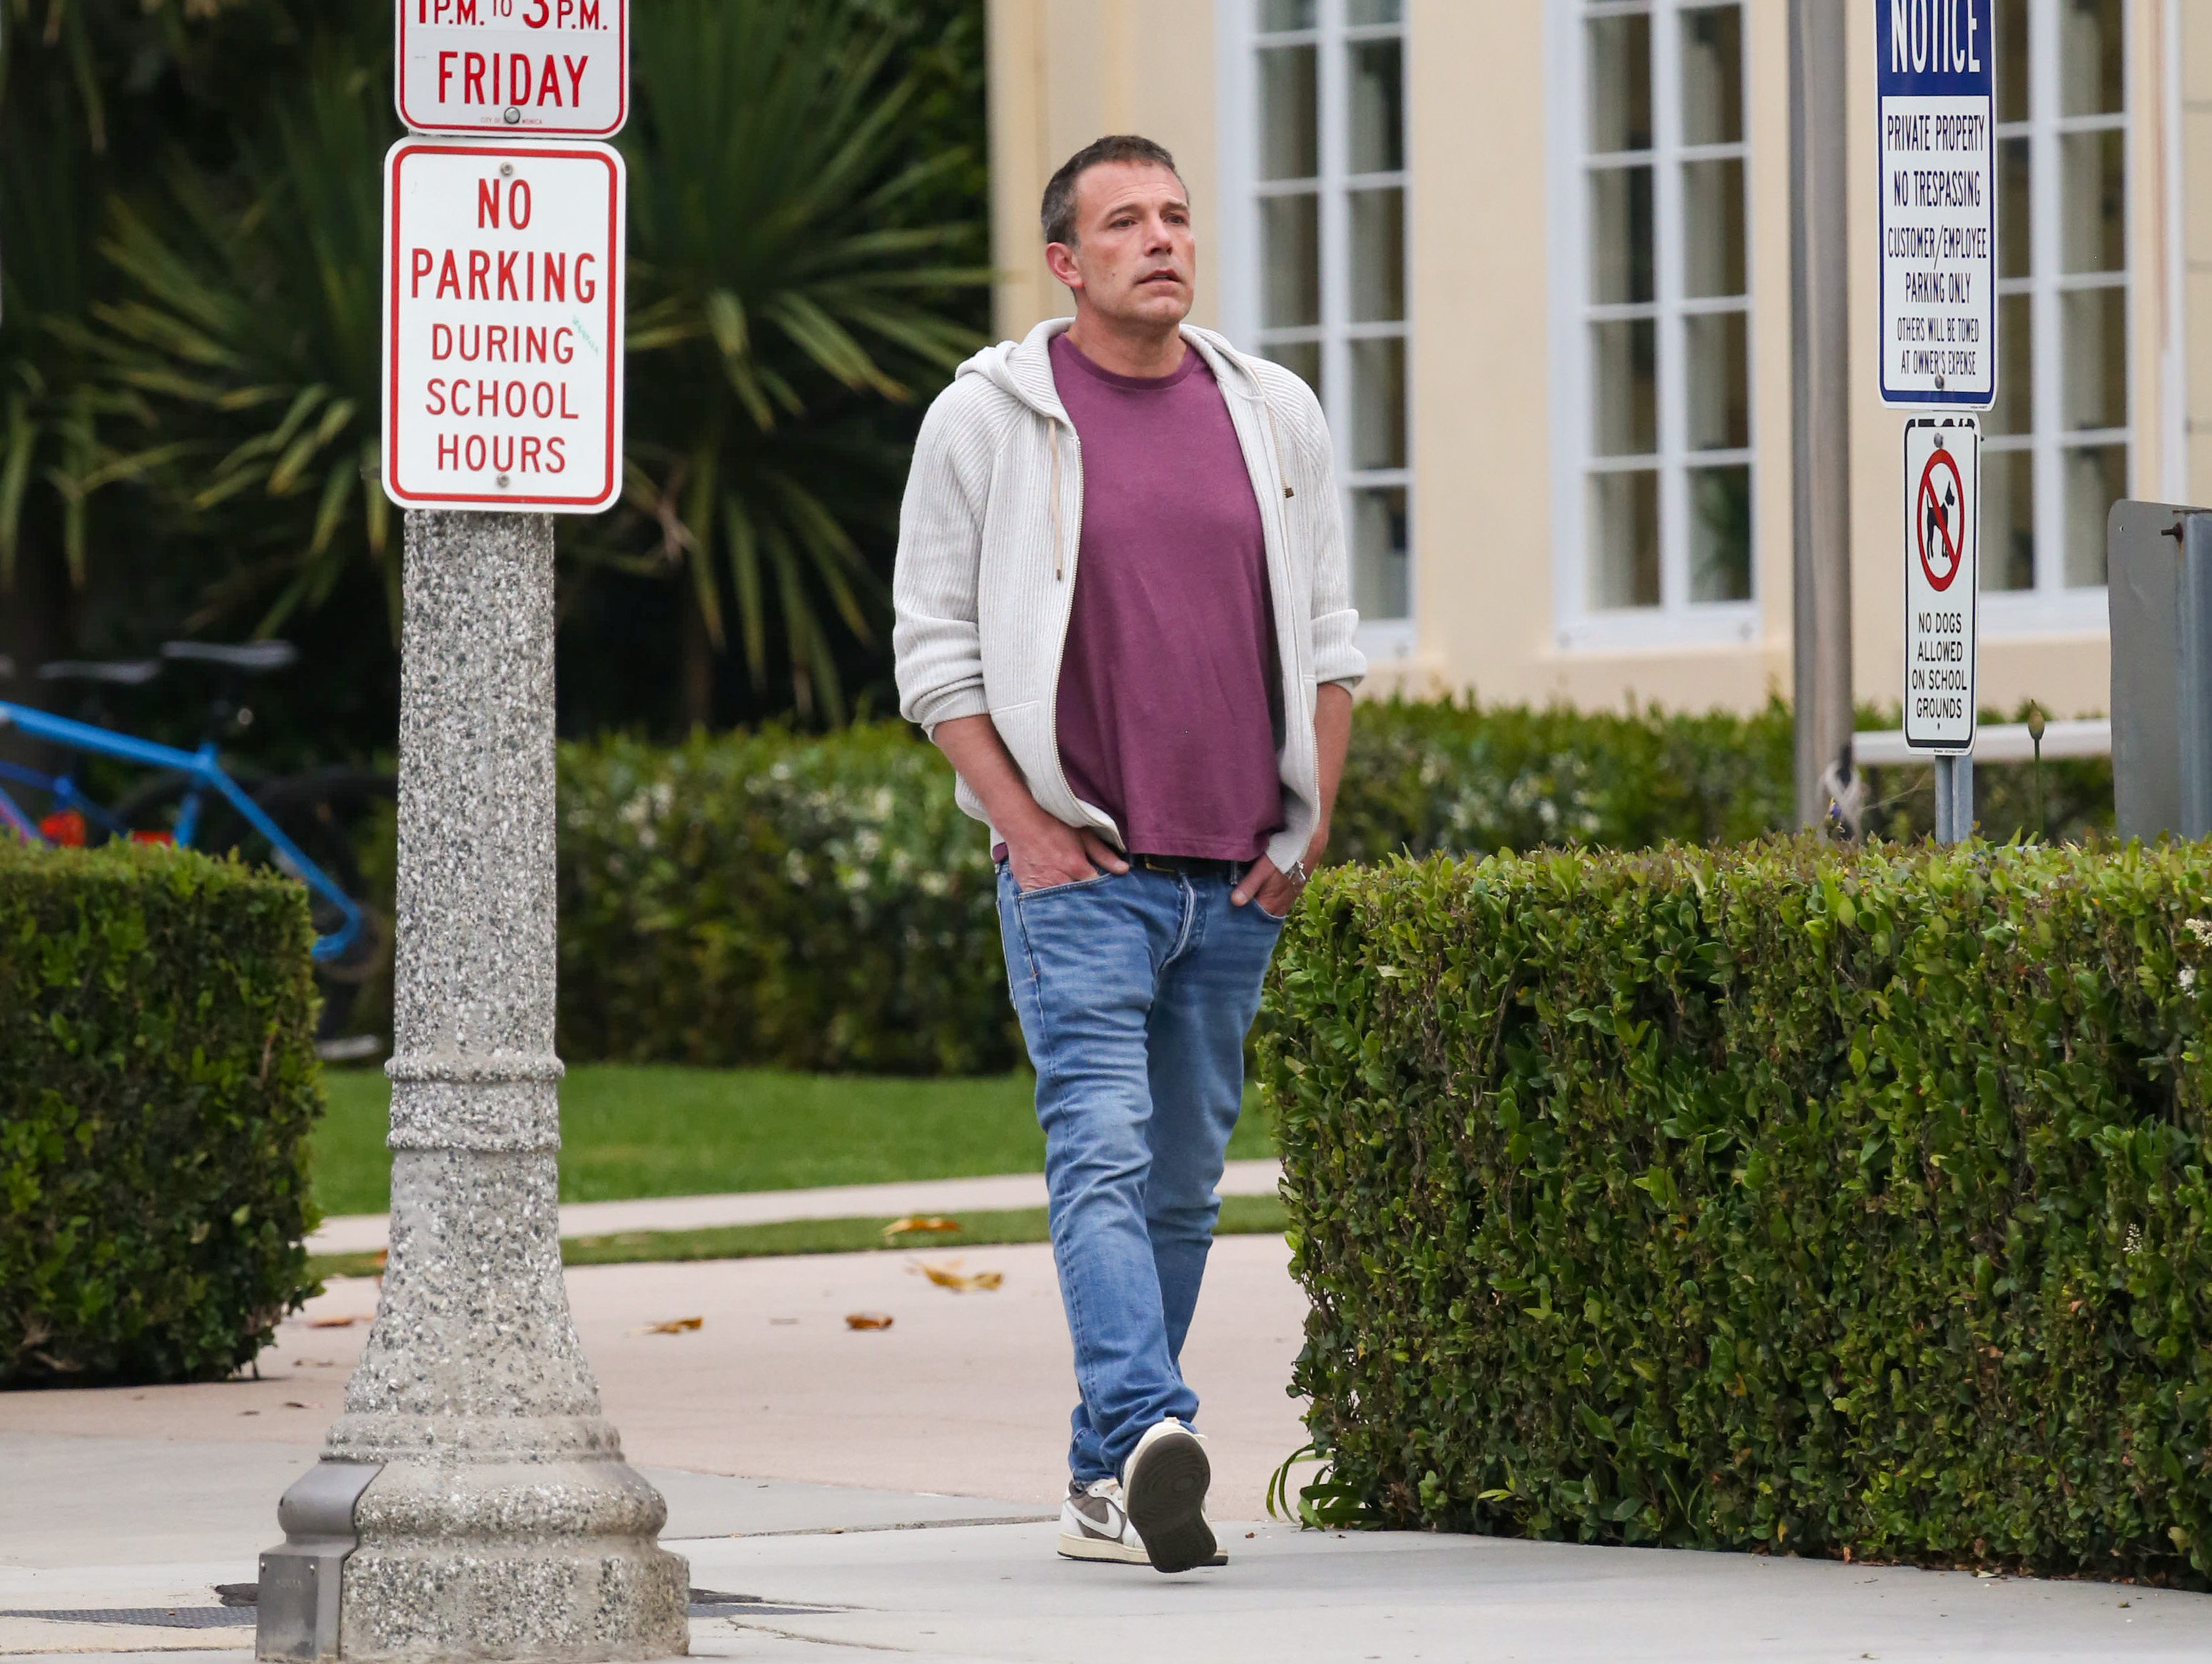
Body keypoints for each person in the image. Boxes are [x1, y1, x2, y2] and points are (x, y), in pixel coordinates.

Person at [892, 133, 1364, 1574]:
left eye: (1173, 215)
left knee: (1178, 1183)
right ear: (1064, 260)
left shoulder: (1271, 411)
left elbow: (1332, 640)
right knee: (1097, 1152)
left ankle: (1106, 1480)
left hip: (1234, 873)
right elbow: (933, 657)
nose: (1160, 239)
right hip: (1081, 872)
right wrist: (1021, 826)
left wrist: (1310, 822)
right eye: (1123, 222)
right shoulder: (987, 419)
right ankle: (1154, 1418)